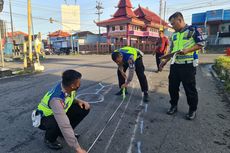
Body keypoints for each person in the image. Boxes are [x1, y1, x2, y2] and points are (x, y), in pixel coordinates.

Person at [159, 12, 204, 120]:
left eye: (173, 23)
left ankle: (192, 109)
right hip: (175, 65)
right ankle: (173, 106)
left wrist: (187, 50)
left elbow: (201, 44)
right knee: (172, 88)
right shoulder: (174, 35)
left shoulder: (193, 30)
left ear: (180, 20)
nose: (172, 26)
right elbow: (172, 50)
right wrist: (164, 61)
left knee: (190, 89)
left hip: (188, 66)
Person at [34, 70, 90, 153]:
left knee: (83, 108)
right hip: (43, 118)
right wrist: (78, 149)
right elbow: (64, 125)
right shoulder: (56, 100)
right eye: (79, 82)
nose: (80, 84)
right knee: (58, 123)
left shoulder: (67, 87)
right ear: (72, 85)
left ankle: (61, 133)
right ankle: (49, 139)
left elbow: (69, 98)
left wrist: (79, 101)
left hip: (58, 111)